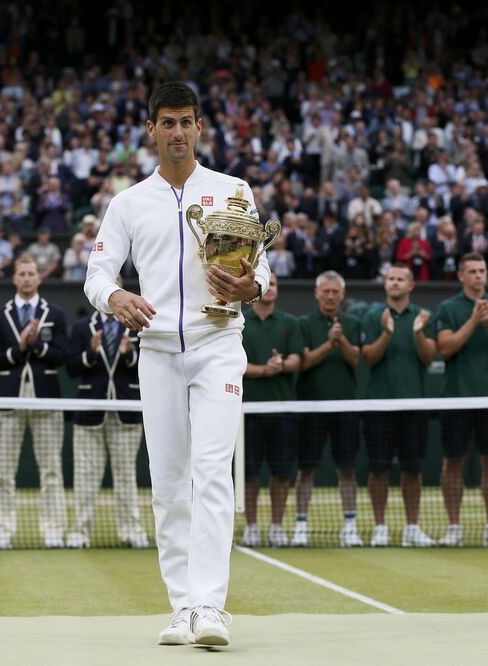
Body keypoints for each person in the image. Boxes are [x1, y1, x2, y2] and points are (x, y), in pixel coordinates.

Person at [84, 82, 270, 648]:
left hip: (219, 345)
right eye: (167, 122)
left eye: (186, 121)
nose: (178, 132)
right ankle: (181, 607)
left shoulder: (233, 191)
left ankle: (209, 607)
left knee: (212, 472)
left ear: (199, 126)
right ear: (152, 130)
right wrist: (115, 297)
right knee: (167, 482)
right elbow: (97, 275)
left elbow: (262, 271)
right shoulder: (128, 202)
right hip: (158, 352)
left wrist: (251, 286)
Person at [0, 254, 69, 550]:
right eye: (21, 274)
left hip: (46, 400)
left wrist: (38, 345)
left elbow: (60, 356)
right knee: (3, 472)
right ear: (14, 278)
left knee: (51, 470)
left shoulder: (55, 313)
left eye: (31, 273)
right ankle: (2, 531)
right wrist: (19, 348)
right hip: (9, 400)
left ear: (38, 277)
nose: (26, 278)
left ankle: (53, 531)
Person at [434, 252, 488, 547]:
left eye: (482, 270)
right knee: (452, 463)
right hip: (456, 399)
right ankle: (454, 526)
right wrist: (473, 320)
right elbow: (445, 348)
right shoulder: (447, 307)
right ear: (461, 276)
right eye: (472, 271)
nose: (478, 275)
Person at [360, 264, 437, 547]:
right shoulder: (373, 316)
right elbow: (369, 358)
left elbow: (429, 358)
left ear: (411, 285)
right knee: (378, 469)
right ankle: (380, 527)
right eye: (390, 279)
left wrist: (418, 333)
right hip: (379, 406)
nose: (394, 283)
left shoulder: (423, 316)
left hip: (413, 406)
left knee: (412, 470)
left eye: (400, 279)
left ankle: (412, 528)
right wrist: (386, 333)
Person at [64, 304, 149, 549]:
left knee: (126, 475)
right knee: (85, 476)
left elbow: (148, 365)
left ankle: (131, 531)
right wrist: (90, 353)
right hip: (90, 410)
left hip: (126, 410)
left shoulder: (138, 325)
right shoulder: (82, 328)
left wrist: (129, 354)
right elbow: (71, 367)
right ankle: (80, 532)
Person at [294, 270, 362, 548]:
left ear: (342, 295)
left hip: (344, 408)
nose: (330, 296)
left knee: (347, 469)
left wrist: (341, 339)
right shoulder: (303, 324)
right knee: (306, 470)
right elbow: (304, 362)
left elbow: (356, 359)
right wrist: (329, 342)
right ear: (317, 293)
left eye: (335, 292)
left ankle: (350, 526)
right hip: (311, 407)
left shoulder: (353, 323)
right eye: (326, 291)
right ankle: (301, 525)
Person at [239, 272, 302, 548]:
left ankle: (276, 526)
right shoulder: (239, 321)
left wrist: (281, 365)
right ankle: (251, 527)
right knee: (250, 474)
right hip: (248, 412)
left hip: (283, 411)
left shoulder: (290, 323)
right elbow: (236, 364)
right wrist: (265, 370)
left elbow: (297, 360)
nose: (271, 288)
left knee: (281, 474)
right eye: (269, 283)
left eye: (275, 284)